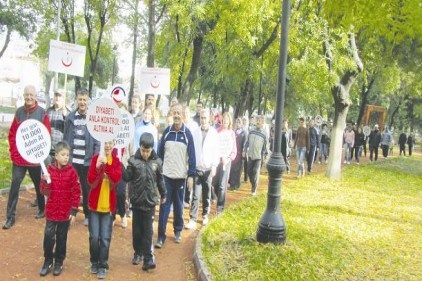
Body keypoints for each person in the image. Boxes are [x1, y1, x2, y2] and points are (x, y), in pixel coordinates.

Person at [3, 85, 51, 230]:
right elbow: (12, 134)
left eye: (31, 94)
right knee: (15, 185)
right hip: (19, 159)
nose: (29, 97)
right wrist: (14, 153)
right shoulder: (19, 112)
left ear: (35, 96)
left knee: (39, 185)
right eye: (27, 94)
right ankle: (10, 217)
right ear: (23, 95)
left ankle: (42, 209)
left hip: (35, 159)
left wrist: (39, 154)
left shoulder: (42, 113)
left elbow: (46, 135)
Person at [123, 132, 166, 271]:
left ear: (152, 149)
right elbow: (127, 177)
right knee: (137, 231)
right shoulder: (133, 161)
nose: (145, 154)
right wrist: (121, 165)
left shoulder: (157, 162)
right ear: (139, 147)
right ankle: (138, 253)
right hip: (136, 202)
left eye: (148, 151)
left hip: (150, 203)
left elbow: (160, 180)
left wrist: (164, 194)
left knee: (148, 231)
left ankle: (148, 258)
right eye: (143, 150)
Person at [155, 103, 196, 248]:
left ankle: (178, 231)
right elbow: (159, 155)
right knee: (164, 206)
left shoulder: (187, 134)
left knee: (179, 206)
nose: (177, 115)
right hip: (166, 176)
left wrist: (191, 175)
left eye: (179, 113)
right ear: (172, 114)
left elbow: (192, 157)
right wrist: (158, 173)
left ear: (183, 115)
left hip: (180, 177)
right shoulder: (166, 132)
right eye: (175, 113)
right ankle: (161, 236)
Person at [39, 141, 81, 277]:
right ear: (56, 155)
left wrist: (73, 211)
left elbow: (76, 192)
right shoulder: (49, 171)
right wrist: (45, 181)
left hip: (65, 213)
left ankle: (58, 262)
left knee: (62, 238)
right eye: (63, 155)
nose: (65, 157)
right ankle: (47, 261)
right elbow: (44, 191)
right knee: (48, 237)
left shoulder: (72, 172)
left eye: (67, 155)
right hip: (51, 212)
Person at [64, 88, 100, 226]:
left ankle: (87, 214)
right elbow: (66, 138)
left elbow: (97, 141)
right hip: (73, 160)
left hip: (87, 162)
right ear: (76, 100)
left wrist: (95, 160)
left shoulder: (93, 118)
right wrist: (65, 157)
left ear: (88, 101)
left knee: (86, 189)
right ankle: (69, 212)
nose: (82, 102)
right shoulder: (70, 118)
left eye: (85, 99)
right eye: (80, 99)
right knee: (71, 188)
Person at [87, 140, 122, 279]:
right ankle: (94, 261)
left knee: (105, 238)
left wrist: (106, 165)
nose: (107, 146)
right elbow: (90, 181)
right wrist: (96, 167)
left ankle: (103, 265)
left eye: (110, 143)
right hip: (95, 206)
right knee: (94, 237)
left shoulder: (116, 161)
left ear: (114, 145)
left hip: (108, 207)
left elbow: (116, 178)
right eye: (105, 143)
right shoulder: (96, 158)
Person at [185, 109, 219, 229]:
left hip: (208, 168)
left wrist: (215, 165)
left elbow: (216, 151)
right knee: (195, 194)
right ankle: (193, 218)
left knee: (206, 193)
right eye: (202, 118)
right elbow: (191, 151)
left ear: (209, 119)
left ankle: (205, 215)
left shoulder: (214, 133)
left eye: (205, 118)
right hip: (197, 168)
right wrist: (191, 167)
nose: (203, 120)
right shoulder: (195, 132)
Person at [214, 112, 237, 211]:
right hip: (216, 160)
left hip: (226, 162)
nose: (225, 122)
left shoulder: (231, 133)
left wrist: (228, 159)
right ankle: (215, 197)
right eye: (224, 120)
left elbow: (234, 150)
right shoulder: (217, 131)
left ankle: (220, 207)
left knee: (222, 185)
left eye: (227, 121)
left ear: (229, 122)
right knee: (214, 184)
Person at [243, 115, 267, 196]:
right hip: (250, 156)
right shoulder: (251, 130)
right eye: (257, 120)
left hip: (258, 157)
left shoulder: (264, 134)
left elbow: (266, 147)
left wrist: (265, 157)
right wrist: (245, 150)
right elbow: (247, 142)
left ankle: (254, 190)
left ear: (263, 122)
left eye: (259, 120)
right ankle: (254, 184)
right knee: (249, 172)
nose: (257, 122)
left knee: (255, 172)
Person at [46, 89, 69, 163]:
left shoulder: (67, 113)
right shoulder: (48, 111)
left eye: (60, 96)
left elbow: (69, 130)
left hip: (60, 151)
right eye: (56, 95)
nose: (57, 98)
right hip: (48, 150)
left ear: (63, 99)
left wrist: (66, 117)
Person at [229, 117, 247, 190]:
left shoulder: (244, 133)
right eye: (237, 122)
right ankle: (232, 184)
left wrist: (244, 151)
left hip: (240, 153)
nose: (238, 124)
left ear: (241, 123)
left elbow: (245, 143)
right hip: (234, 153)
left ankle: (236, 184)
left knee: (238, 170)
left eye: (239, 122)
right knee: (232, 169)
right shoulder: (233, 131)